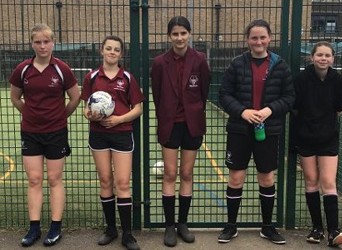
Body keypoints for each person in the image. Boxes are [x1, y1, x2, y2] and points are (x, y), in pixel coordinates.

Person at [218, 19, 294, 245]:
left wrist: (270, 110)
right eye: (254, 37)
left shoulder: (280, 66)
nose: (258, 41)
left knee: (267, 177)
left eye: (262, 37)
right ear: (247, 40)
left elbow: (289, 97)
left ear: (269, 38)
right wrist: (243, 112)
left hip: (268, 131)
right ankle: (231, 226)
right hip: (239, 130)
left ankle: (267, 227)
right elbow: (224, 95)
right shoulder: (236, 64)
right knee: (236, 177)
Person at [9, 23, 80, 247]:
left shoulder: (61, 69)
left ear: (53, 43)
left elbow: (75, 97)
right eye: (38, 42)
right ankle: (34, 229)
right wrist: (30, 115)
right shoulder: (22, 69)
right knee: (34, 179)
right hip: (30, 133)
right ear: (32, 43)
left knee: (54, 179)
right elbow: (15, 98)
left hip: (56, 133)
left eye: (46, 41)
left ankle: (56, 228)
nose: (42, 46)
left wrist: (60, 116)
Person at [151, 16, 210, 247]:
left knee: (186, 173)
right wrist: (167, 113)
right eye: (175, 34)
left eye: (183, 33)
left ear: (189, 34)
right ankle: (169, 226)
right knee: (169, 173)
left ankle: (182, 223)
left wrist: (193, 111)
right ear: (169, 36)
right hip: (169, 124)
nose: (179, 38)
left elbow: (203, 91)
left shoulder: (200, 60)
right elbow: (157, 93)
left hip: (192, 124)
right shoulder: (159, 62)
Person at [81, 35, 144, 250]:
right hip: (98, 135)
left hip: (122, 133)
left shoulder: (127, 77)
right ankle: (110, 229)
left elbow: (138, 108)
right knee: (106, 181)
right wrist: (90, 115)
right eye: (108, 48)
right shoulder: (91, 77)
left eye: (116, 49)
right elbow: (85, 108)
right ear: (102, 50)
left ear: (121, 54)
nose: (112, 52)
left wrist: (119, 119)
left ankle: (127, 234)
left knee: (123, 183)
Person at [293, 41, 342, 247]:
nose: (323, 58)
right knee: (311, 181)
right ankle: (317, 228)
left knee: (328, 182)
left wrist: (325, 122)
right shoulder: (302, 79)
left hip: (328, 138)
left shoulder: (338, 81)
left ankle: (333, 231)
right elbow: (296, 106)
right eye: (319, 55)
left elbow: (340, 107)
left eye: (327, 55)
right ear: (312, 57)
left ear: (333, 59)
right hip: (306, 137)